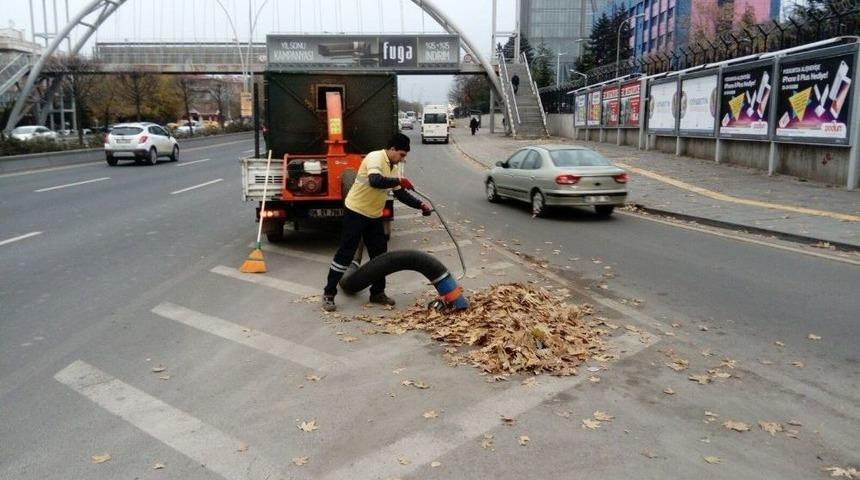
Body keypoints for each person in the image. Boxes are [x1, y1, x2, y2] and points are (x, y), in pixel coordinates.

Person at [322, 133, 432, 312]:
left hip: (374, 216)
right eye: (401, 155)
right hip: (356, 212)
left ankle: (377, 293)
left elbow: (400, 194)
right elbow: (375, 181)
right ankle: (329, 293)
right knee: (345, 254)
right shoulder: (375, 157)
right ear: (392, 149)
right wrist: (399, 180)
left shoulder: (393, 167)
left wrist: (420, 205)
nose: (402, 159)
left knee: (380, 257)